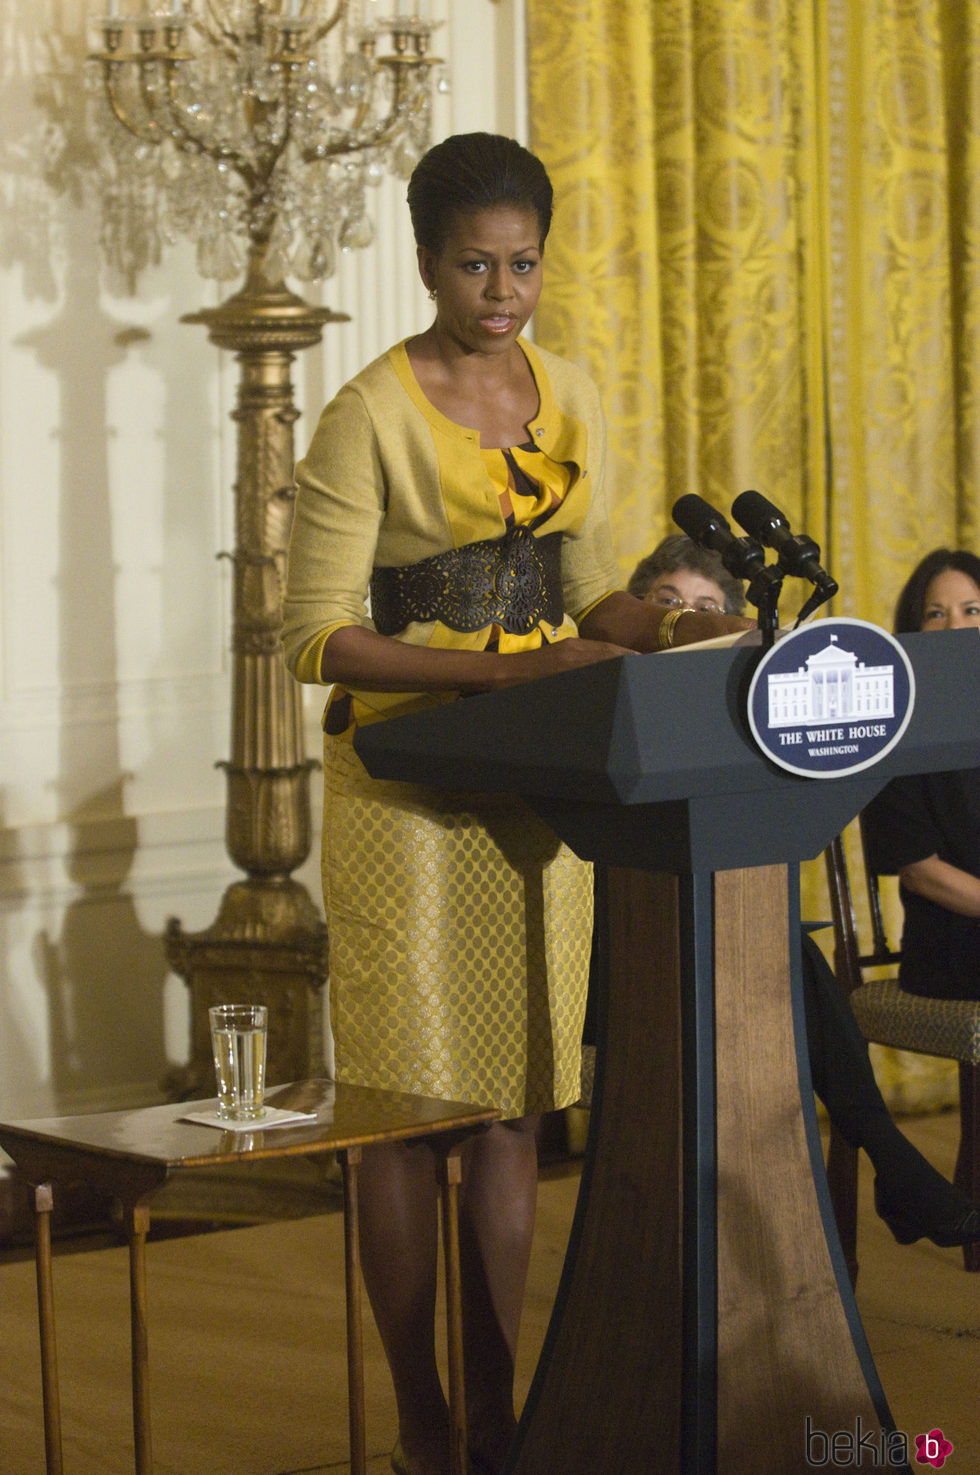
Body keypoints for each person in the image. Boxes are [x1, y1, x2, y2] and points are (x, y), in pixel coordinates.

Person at [280, 134, 750, 1475]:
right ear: (426, 263)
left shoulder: (575, 394)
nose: (503, 291)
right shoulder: (366, 414)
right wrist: (514, 664)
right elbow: (312, 639)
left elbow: (591, 592)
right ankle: (423, 1418)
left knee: (511, 1108)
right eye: (476, 265)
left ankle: (496, 1413)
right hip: (408, 790)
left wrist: (657, 620)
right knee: (404, 1107)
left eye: (524, 264)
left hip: (540, 788)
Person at [619, 536, 980, 1250]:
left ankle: (880, 1171)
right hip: (629, 942)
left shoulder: (740, 723)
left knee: (778, 949)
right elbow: (915, 862)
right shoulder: (614, 709)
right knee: (775, 954)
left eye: (706, 609)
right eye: (669, 606)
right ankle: (892, 1159)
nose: (687, 622)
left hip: (729, 940)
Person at [863, 548, 980, 1002]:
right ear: (914, 632)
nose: (956, 628)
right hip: (952, 946)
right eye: (936, 614)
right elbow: (920, 873)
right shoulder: (896, 730)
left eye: (972, 611)